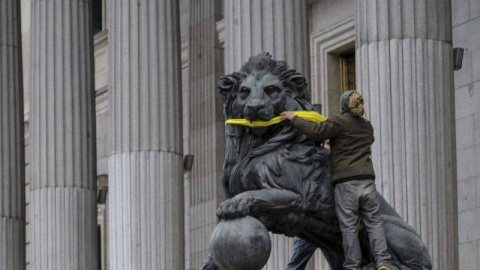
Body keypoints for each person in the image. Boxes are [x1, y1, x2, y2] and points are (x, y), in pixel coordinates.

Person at [280, 90, 392, 270]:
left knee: (348, 227)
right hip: (368, 182)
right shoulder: (367, 127)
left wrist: (294, 118)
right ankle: (384, 262)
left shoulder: (340, 122)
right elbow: (368, 139)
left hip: (347, 183)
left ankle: (352, 266)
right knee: (374, 223)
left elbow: (316, 131)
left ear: (343, 106)